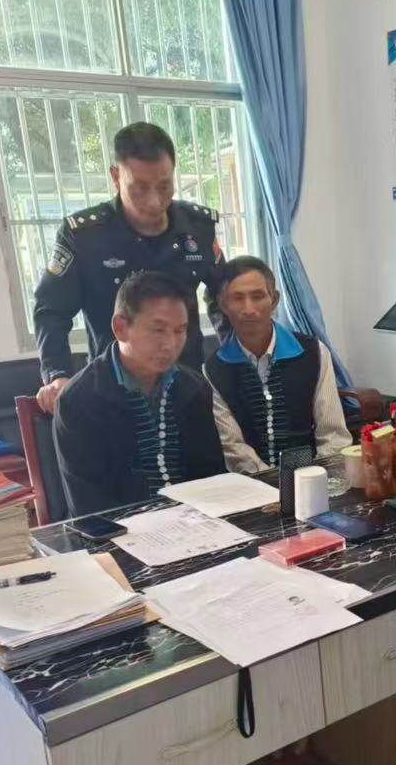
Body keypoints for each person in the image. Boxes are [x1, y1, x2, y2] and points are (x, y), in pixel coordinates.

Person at [34, 122, 223, 412]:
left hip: (186, 386)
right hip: (112, 391)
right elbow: (51, 311)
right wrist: (57, 374)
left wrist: (231, 353)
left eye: (164, 186)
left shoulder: (197, 227)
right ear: (116, 177)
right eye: (140, 188)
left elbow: (224, 292)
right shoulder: (85, 236)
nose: (154, 201)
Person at [53, 272, 225, 518]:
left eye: (180, 331)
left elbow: (212, 479)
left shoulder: (193, 388)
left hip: (197, 525)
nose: (170, 344)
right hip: (122, 532)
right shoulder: (79, 400)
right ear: (120, 327)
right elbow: (89, 508)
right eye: (158, 330)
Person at [203, 257, 351, 475]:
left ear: (274, 300)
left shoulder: (313, 352)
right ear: (224, 305)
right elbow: (233, 447)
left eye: (257, 296)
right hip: (252, 484)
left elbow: (333, 435)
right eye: (237, 298)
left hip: (314, 477)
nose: (248, 309)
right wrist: (274, 485)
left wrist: (317, 481)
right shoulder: (214, 369)